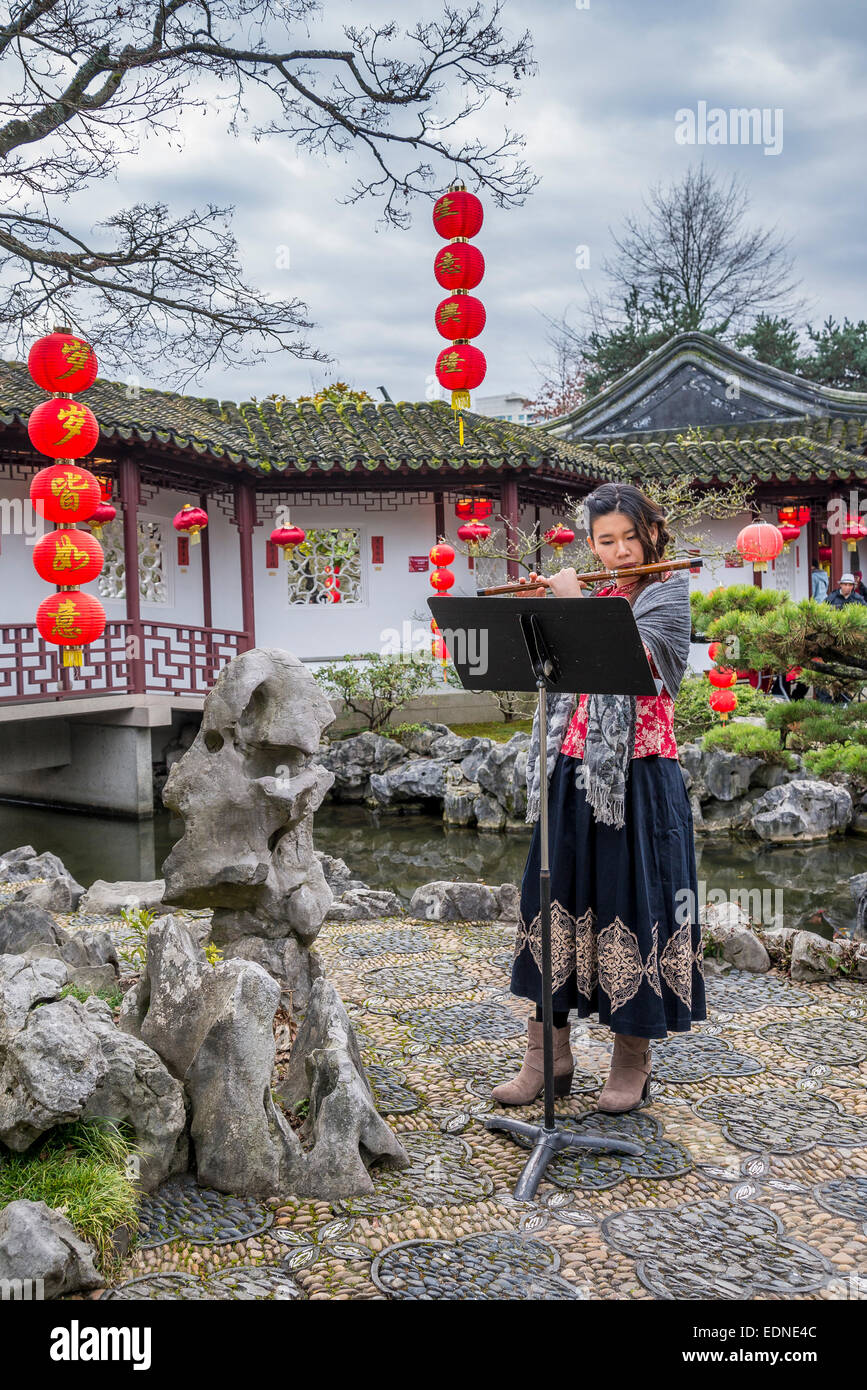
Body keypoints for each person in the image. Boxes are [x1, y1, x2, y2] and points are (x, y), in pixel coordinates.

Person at [492, 482, 706, 1115]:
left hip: (638, 775)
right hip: (571, 767)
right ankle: (546, 1057)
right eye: (604, 541)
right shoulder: (599, 593)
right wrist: (541, 619)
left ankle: (630, 1063)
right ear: (590, 543)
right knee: (552, 902)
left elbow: (635, 667)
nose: (617, 551)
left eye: (629, 539)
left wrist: (574, 606)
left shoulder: (669, 594)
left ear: (653, 536)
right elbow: (551, 673)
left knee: (629, 905)